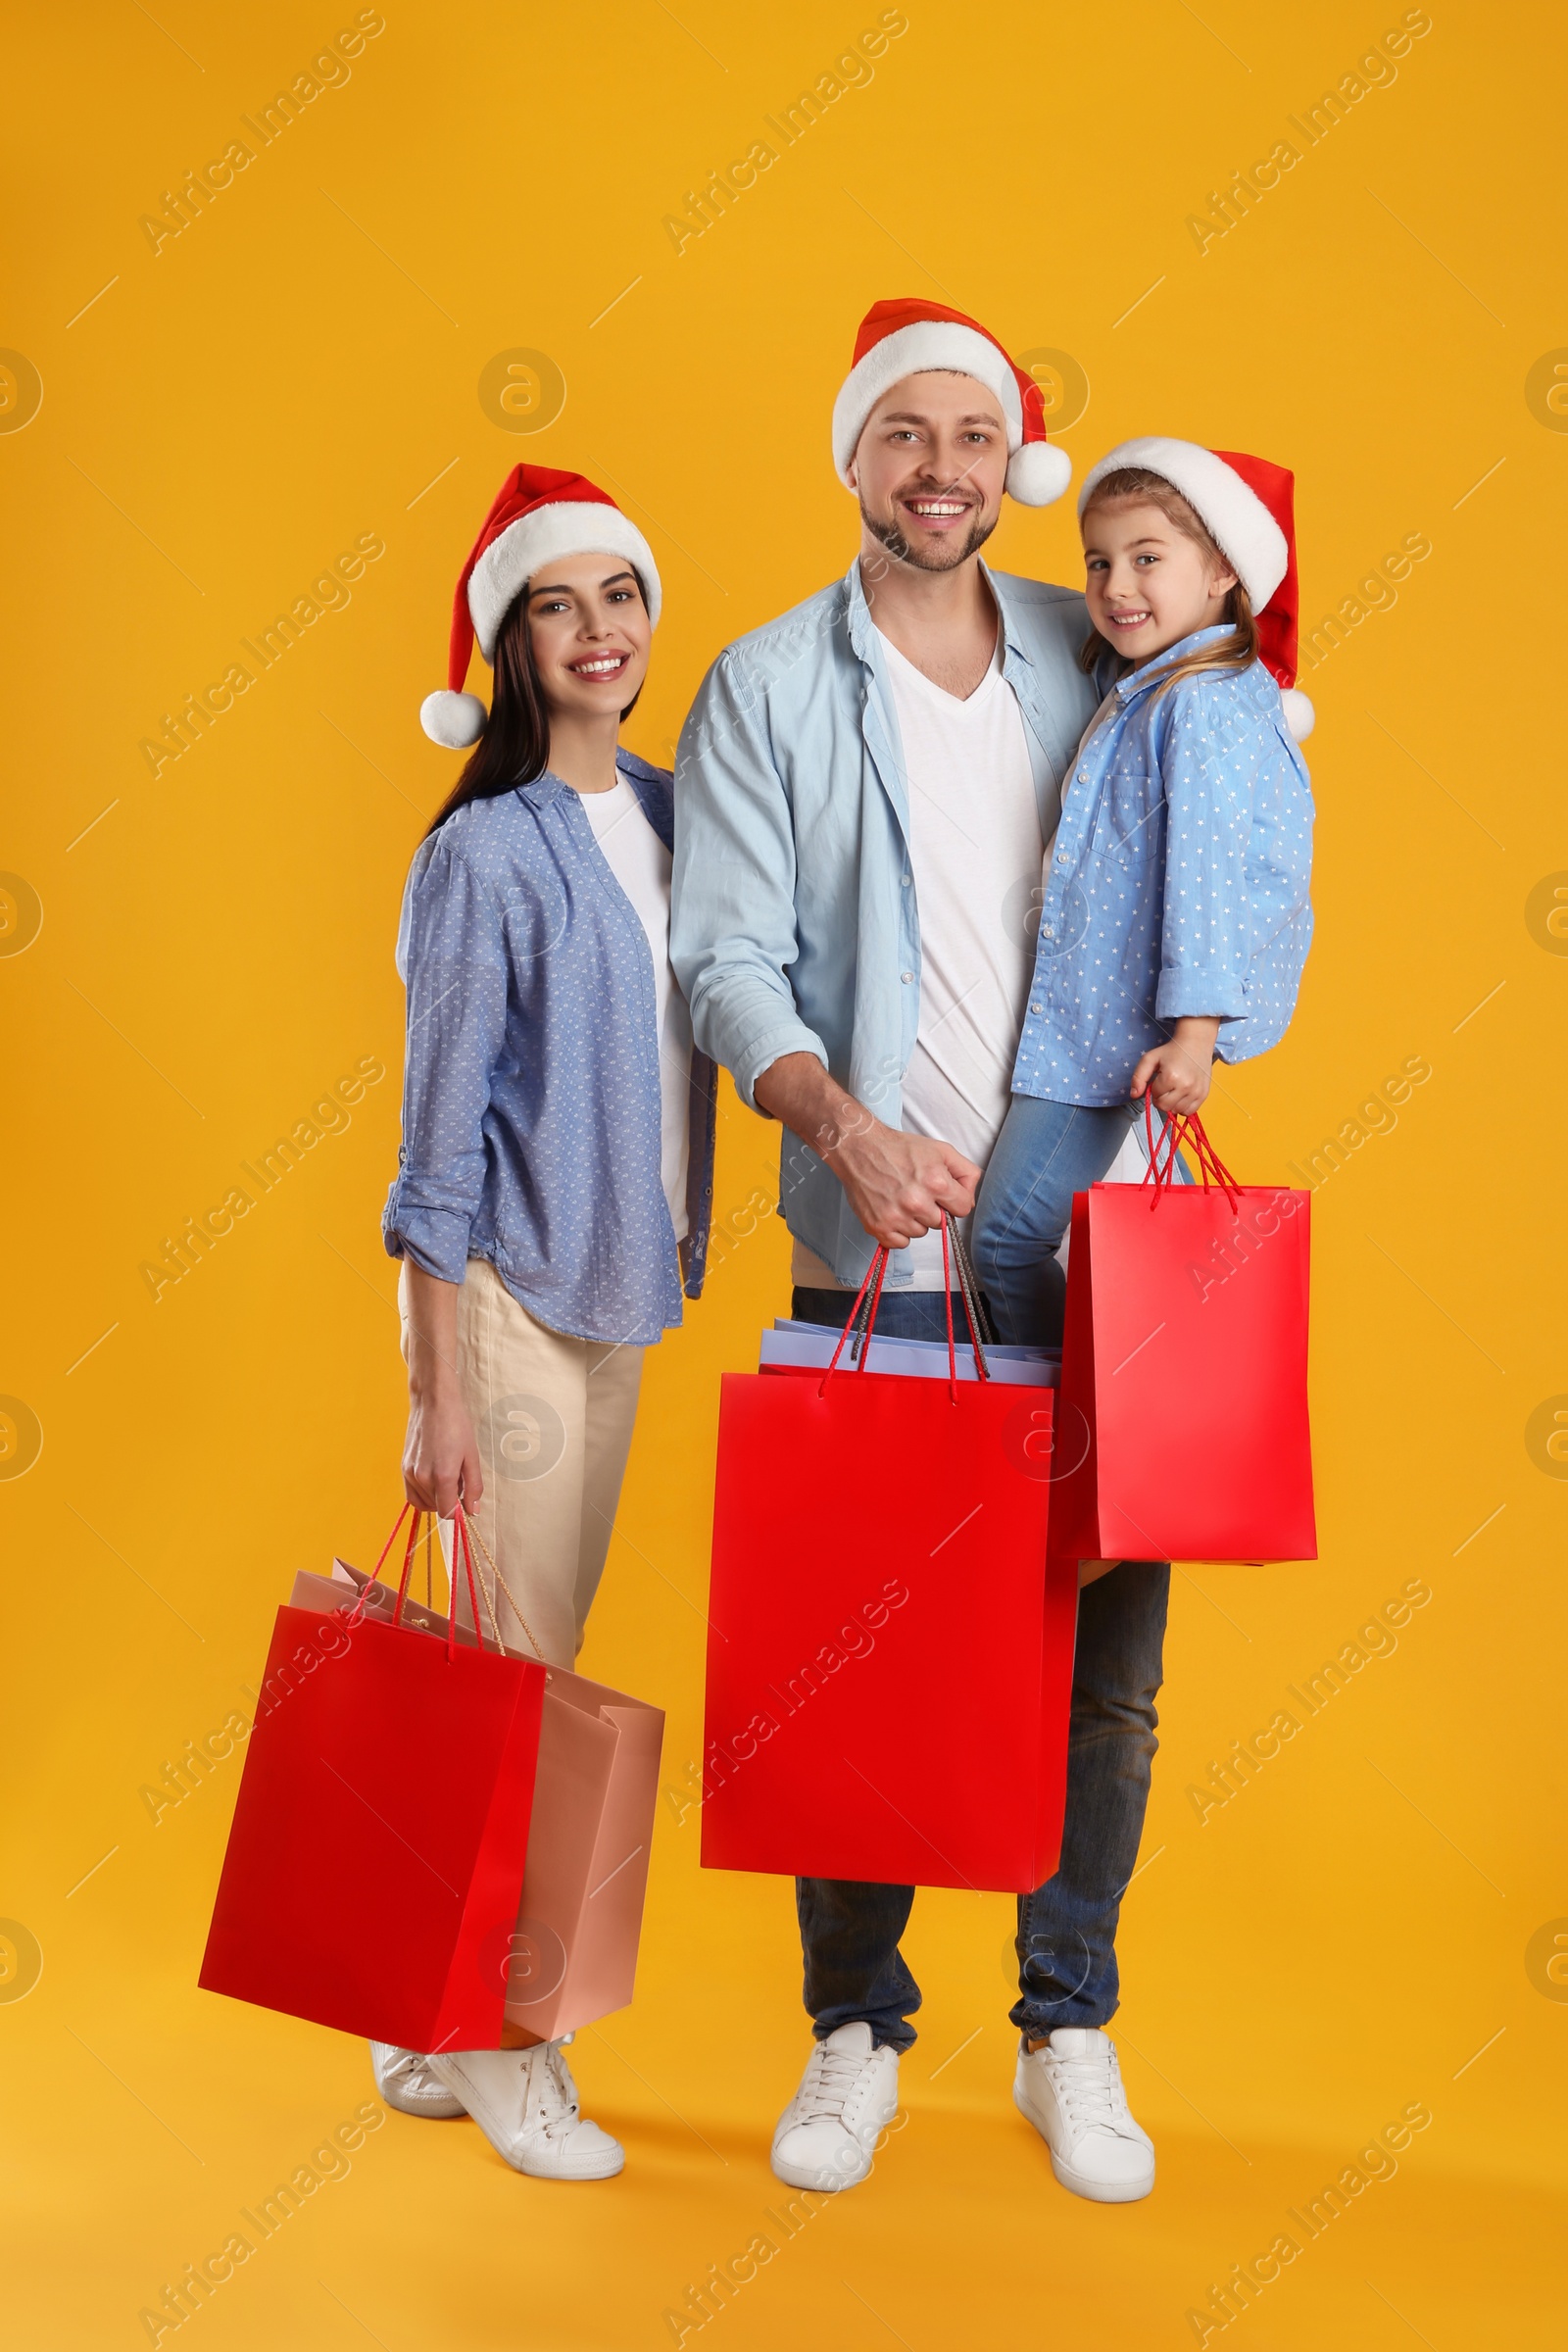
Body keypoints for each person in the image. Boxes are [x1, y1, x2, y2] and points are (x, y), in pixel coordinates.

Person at [671, 298, 1168, 2204]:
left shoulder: (1081, 640)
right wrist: (842, 1128)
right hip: (869, 1232)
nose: (942, 469)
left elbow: (1214, 783)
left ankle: (1065, 2027)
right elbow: (720, 955)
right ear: (852, 458)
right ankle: (850, 2029)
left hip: (1091, 1234)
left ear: (1010, 461)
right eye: (906, 435)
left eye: (974, 435)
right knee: (852, 1650)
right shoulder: (764, 684)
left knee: (1098, 1665)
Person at [376, 464, 717, 2180]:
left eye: (622, 596)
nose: (599, 630)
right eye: (558, 603)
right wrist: (437, 1395)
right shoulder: (483, 852)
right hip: (504, 1298)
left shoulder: (668, 812)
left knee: (537, 1668)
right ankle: (506, 2040)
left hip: (625, 1291)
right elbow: (433, 1151)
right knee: (518, 1681)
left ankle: (430, 2023)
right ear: (510, 642)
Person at [971, 437, 1315, 1344]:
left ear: (1222, 576)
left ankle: (1071, 1431)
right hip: (1114, 1017)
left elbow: (1205, 874)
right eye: (1098, 561)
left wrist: (1195, 1034)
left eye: (1147, 559)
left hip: (1114, 1025)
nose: (1117, 585)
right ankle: (1122, 1425)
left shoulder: (1196, 701)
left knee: (1005, 1237)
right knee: (1152, 1260)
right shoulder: (1161, 685)